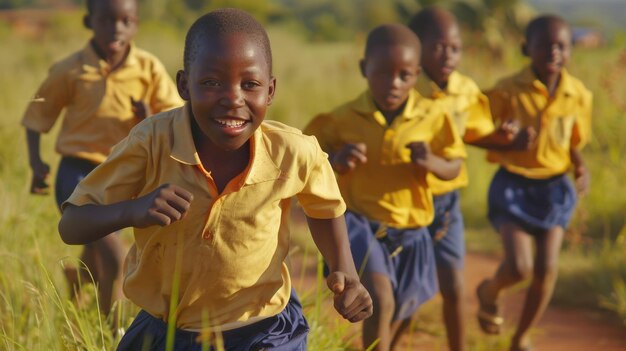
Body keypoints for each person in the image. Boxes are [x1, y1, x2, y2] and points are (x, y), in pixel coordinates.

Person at [58, 8, 372, 350]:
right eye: (211, 82)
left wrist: (346, 271)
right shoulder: (151, 143)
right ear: (184, 85)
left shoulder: (293, 151)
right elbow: (71, 224)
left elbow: (324, 206)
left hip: (262, 330)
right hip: (169, 330)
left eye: (249, 84)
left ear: (270, 91)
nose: (232, 98)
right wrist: (133, 210)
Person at [304, 24, 466, 351]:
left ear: (416, 74)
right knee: (380, 296)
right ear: (365, 69)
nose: (393, 83)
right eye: (382, 73)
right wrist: (336, 158)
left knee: (404, 305)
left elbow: (455, 166)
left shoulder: (434, 116)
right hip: (360, 224)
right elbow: (307, 160)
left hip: (413, 229)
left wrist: (433, 162)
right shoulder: (341, 118)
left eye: (404, 75)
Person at [21, 0, 182, 315]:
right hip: (77, 174)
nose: (116, 29)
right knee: (113, 257)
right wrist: (35, 162)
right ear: (88, 21)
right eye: (107, 20)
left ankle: (77, 279)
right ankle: (111, 334)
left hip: (122, 175)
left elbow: (175, 116)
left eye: (125, 20)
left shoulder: (148, 68)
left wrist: (149, 115)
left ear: (135, 24)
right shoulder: (71, 69)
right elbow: (37, 112)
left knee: (97, 253)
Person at [407, 7, 526, 351]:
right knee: (408, 292)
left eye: (455, 48)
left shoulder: (465, 89)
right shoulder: (405, 86)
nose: (448, 55)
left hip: (447, 204)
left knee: (454, 286)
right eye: (438, 47)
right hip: (407, 203)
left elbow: (475, 135)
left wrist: (505, 138)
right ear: (416, 47)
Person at [475, 15, 591, 351]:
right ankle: (490, 290)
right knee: (519, 267)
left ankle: (522, 335)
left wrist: (581, 167)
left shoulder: (579, 94)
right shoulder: (508, 89)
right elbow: (478, 130)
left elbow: (574, 143)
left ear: (570, 50)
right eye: (546, 45)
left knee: (546, 267)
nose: (554, 52)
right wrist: (506, 141)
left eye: (562, 46)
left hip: (555, 188)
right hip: (513, 186)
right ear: (528, 48)